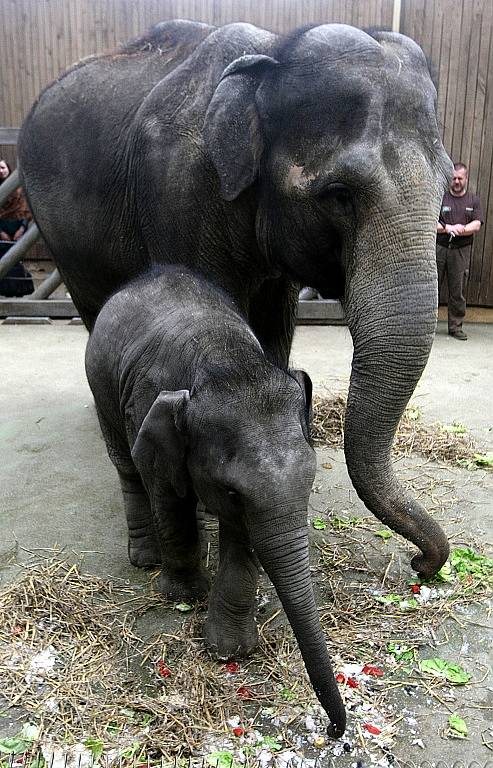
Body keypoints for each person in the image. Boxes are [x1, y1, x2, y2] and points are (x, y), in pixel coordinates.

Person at [436, 163, 483, 340]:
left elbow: (477, 224)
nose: (456, 181)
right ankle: (427, 328)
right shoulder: (441, 198)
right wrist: (448, 228)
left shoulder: (473, 200)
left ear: (466, 178)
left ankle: (455, 328)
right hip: (440, 248)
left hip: (461, 250)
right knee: (433, 289)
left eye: (459, 178)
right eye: (453, 178)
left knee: (458, 291)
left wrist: (461, 228)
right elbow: (432, 222)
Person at [0, 159, 34, 296]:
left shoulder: (19, 190)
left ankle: (20, 288)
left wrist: (21, 230)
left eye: (2, 167)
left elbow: (26, 211)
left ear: (8, 168)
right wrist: (1, 232)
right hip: (2, 231)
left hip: (18, 229)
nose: (1, 171)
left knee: (16, 258)